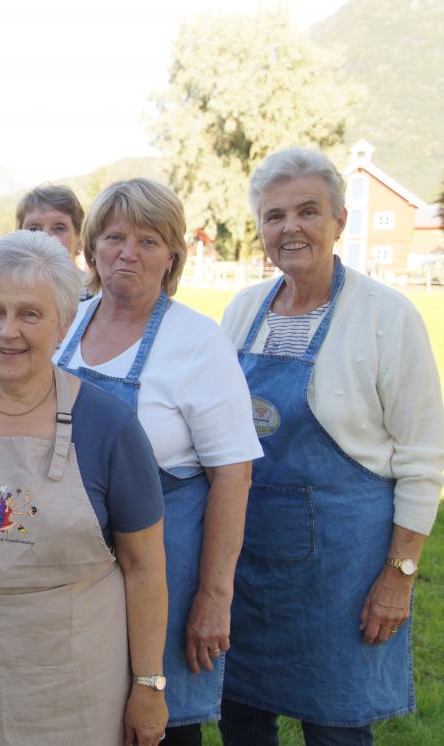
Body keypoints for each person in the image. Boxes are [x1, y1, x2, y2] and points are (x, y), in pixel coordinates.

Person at [0, 230, 169, 745]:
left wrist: (148, 685)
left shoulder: (110, 426)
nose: (8, 331)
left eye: (30, 314)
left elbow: (145, 565)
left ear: (64, 324)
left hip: (74, 684)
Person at [218, 148, 444, 745]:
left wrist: (399, 575)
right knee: (240, 718)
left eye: (307, 211)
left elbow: (424, 460)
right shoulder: (243, 312)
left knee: (335, 729)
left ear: (339, 221)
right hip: (247, 567)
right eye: (273, 216)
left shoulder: (387, 317)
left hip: (344, 573)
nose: (289, 227)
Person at [53, 179, 261, 744]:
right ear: (92, 246)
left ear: (172, 255)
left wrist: (214, 597)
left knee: (158, 722)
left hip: (166, 569)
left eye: (149, 240)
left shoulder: (198, 341)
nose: (128, 253)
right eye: (115, 237)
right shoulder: (65, 319)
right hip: (72, 567)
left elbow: (233, 476)